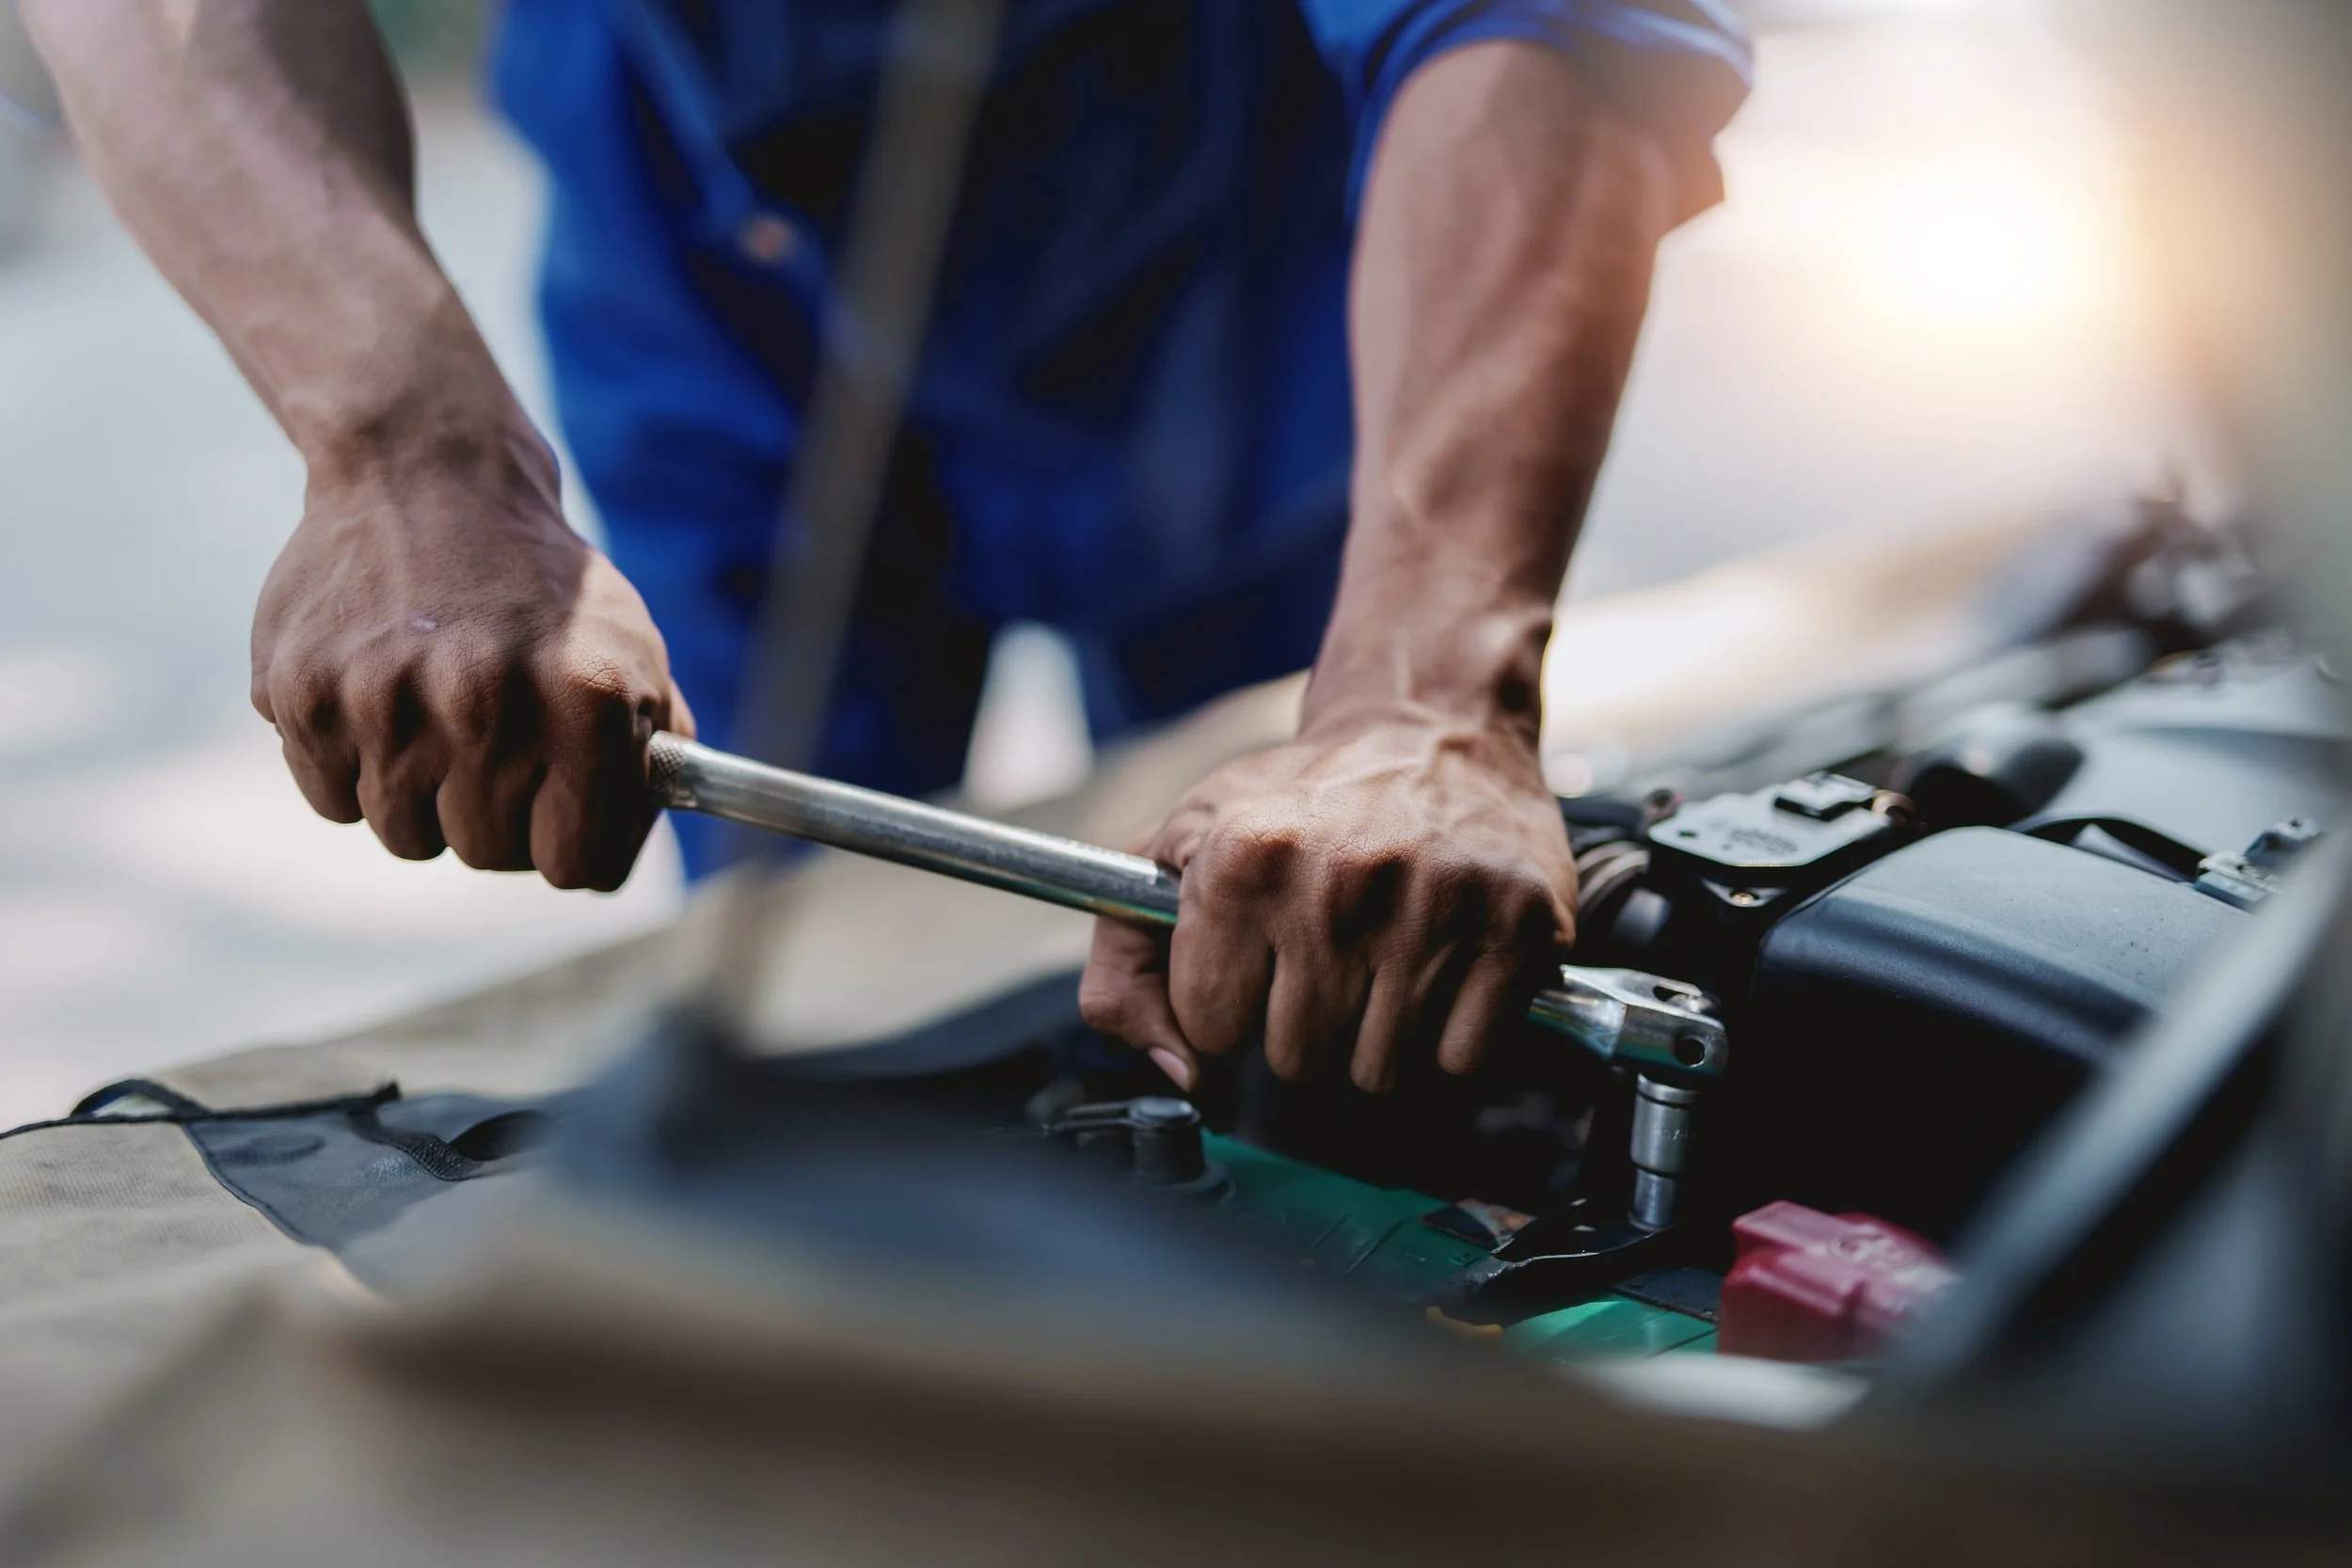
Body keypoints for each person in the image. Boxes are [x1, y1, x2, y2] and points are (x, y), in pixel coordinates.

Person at [22, 0, 1747, 1096]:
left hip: (1251, 266)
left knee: (1330, 972)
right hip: (705, 259)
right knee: (795, 1017)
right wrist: (404, 447)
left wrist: (1423, 694)